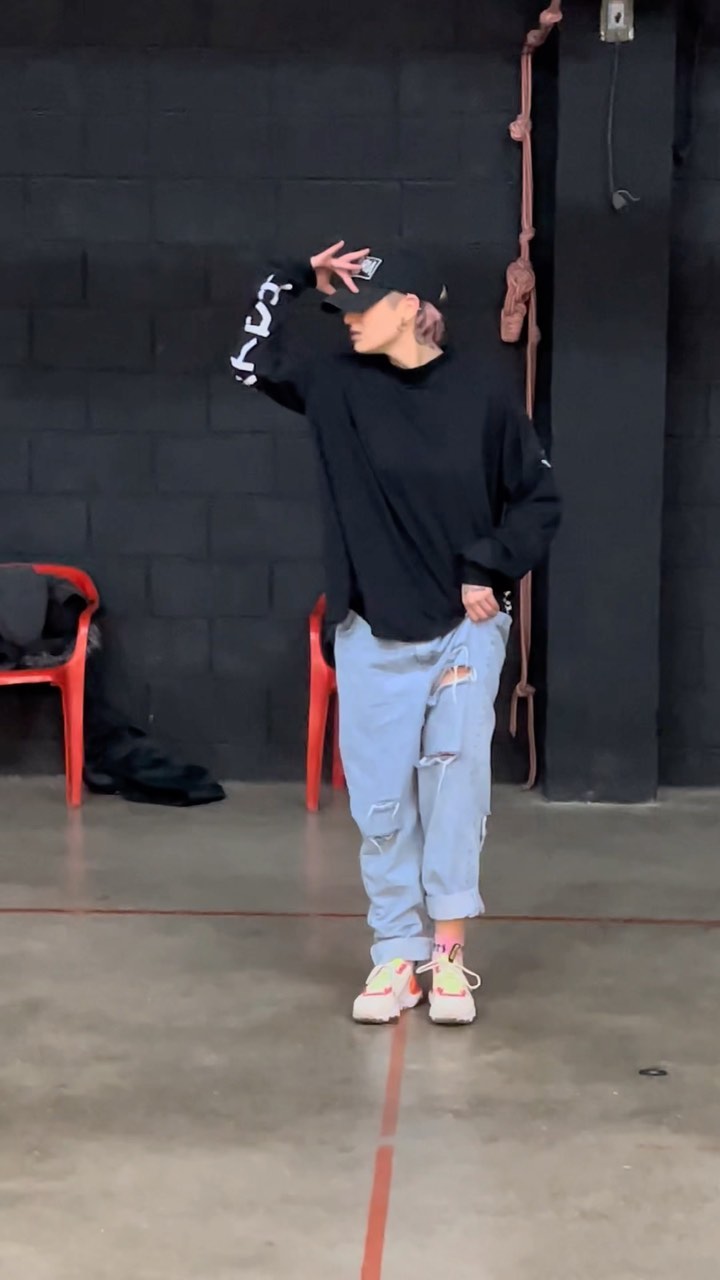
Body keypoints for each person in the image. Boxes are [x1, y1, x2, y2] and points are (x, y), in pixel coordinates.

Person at [231, 241, 561, 1025]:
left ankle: (446, 957)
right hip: (372, 633)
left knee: (453, 787)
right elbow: (249, 362)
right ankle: (394, 956)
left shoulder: (481, 394)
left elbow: (538, 501)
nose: (346, 322)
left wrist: (488, 565)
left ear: (411, 308)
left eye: (361, 308)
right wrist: (291, 276)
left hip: (462, 632)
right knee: (381, 805)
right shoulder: (336, 385)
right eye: (341, 309)